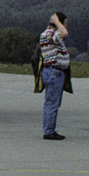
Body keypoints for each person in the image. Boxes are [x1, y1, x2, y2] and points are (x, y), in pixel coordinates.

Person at [38, 12, 70, 140]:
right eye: (65, 23)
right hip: (53, 72)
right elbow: (64, 33)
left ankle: (51, 129)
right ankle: (48, 131)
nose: (66, 26)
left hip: (55, 72)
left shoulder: (49, 34)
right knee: (51, 103)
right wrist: (57, 21)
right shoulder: (50, 34)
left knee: (54, 102)